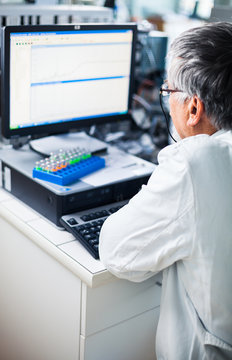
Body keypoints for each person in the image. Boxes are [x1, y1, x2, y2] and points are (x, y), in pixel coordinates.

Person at [99, 22, 232, 359]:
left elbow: (116, 251)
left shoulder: (195, 162)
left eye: (168, 91)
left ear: (193, 109)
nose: (165, 98)